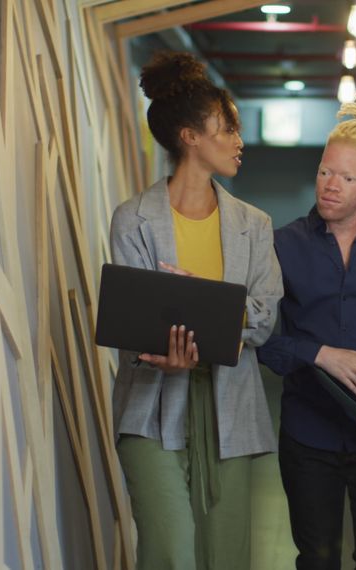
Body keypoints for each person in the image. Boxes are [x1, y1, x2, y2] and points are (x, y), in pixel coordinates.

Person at [107, 52, 282, 570]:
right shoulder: (132, 220)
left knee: (225, 557)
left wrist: (198, 301)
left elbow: (265, 315)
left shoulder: (255, 224)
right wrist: (221, 317)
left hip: (230, 405)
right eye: (226, 128)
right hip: (150, 407)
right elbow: (132, 321)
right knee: (172, 553)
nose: (238, 140)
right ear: (189, 136)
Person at [257, 97, 356, 570]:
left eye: (346, 178)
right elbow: (258, 337)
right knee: (317, 561)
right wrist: (320, 353)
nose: (331, 186)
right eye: (326, 172)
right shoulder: (280, 244)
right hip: (308, 434)